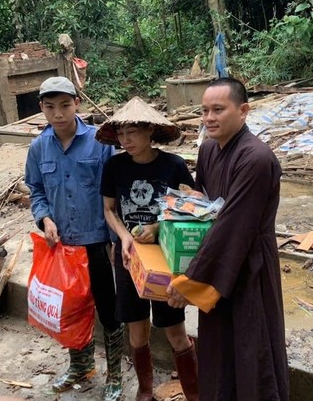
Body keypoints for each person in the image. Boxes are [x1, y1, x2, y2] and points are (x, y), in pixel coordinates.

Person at [166, 77, 289, 400]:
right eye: (205, 110)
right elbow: (207, 207)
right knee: (218, 347)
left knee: (252, 348)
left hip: (249, 267)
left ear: (243, 110)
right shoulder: (208, 149)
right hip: (219, 263)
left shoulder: (257, 159)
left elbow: (234, 223)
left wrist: (191, 280)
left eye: (218, 110)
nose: (209, 118)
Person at [24, 76, 125, 400]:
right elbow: (36, 190)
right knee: (71, 310)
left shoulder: (100, 142)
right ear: (41, 108)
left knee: (109, 310)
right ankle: (81, 366)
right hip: (63, 246)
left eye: (65, 105)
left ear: (77, 103)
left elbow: (114, 195)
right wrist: (44, 218)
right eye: (50, 107)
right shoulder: (39, 147)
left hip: (97, 242)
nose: (58, 114)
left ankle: (115, 375)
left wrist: (114, 241)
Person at [96, 97, 199, 401]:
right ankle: (144, 391)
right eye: (121, 134)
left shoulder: (174, 165)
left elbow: (192, 206)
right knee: (136, 329)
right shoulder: (114, 166)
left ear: (150, 131)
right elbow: (109, 209)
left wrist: (156, 228)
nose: (126, 141)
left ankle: (195, 393)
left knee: (174, 330)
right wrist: (124, 236)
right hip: (129, 258)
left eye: (132, 133)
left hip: (164, 258)